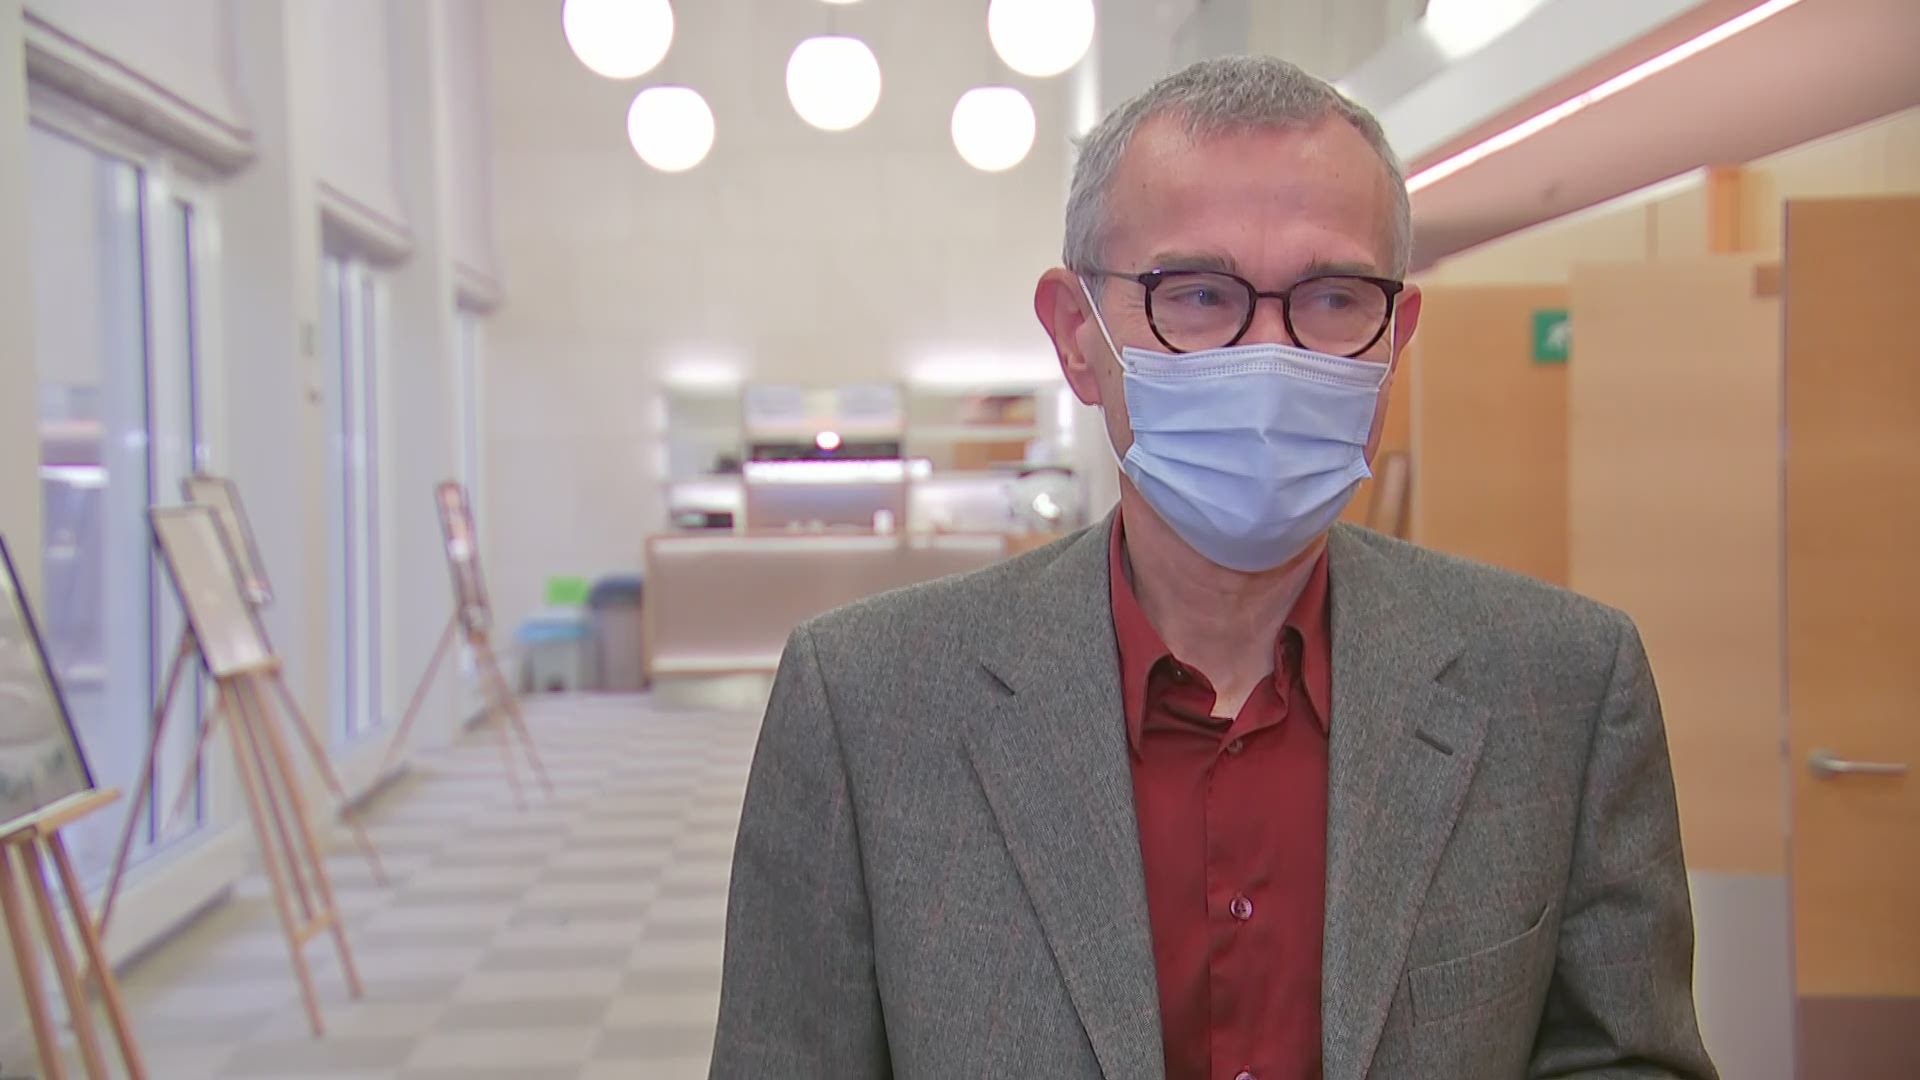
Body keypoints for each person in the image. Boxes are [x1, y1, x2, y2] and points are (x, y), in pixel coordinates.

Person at [710, 55, 1716, 1080]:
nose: (1269, 355)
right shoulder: (867, 706)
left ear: (1395, 337)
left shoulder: (1562, 686)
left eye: (1332, 297)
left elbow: (1625, 1057)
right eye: (1196, 294)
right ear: (1076, 336)